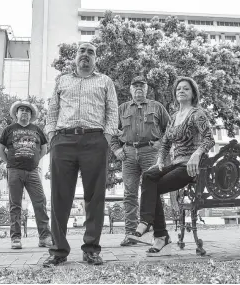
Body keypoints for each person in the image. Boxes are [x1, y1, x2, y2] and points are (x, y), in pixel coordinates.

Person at [43, 42, 119, 267]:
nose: (85, 55)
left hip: (95, 139)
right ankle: (58, 250)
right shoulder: (62, 80)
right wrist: (51, 136)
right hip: (63, 140)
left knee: (95, 197)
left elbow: (112, 110)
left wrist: (106, 137)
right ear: (75, 57)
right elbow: (53, 111)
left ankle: (91, 249)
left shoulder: (105, 81)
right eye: (81, 51)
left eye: (90, 52)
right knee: (59, 197)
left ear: (96, 58)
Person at [129, 76, 215, 257]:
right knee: (149, 176)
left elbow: (209, 139)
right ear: (175, 95)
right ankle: (151, 227)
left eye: (186, 89)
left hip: (191, 167)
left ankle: (156, 233)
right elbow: (166, 143)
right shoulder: (174, 116)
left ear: (193, 93)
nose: (181, 91)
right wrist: (160, 161)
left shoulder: (197, 114)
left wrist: (196, 155)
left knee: (153, 188)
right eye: (178, 89)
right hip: (175, 164)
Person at [110, 76, 170, 246]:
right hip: (128, 154)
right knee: (129, 193)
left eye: (141, 86)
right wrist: (116, 149)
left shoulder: (157, 107)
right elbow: (112, 131)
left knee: (153, 192)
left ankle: (159, 233)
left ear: (146, 89)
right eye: (134, 85)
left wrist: (161, 143)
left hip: (150, 152)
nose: (138, 88)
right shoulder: (122, 109)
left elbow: (170, 129)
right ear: (130, 89)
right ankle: (130, 234)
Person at [0, 100, 53, 250]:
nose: (24, 112)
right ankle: (15, 238)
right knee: (15, 205)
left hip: (33, 172)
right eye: (21, 110)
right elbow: (0, 151)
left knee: (40, 202)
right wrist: (10, 162)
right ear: (16, 113)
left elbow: (44, 149)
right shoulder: (9, 129)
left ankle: (45, 237)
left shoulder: (37, 130)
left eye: (27, 111)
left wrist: (35, 161)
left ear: (31, 115)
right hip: (14, 171)